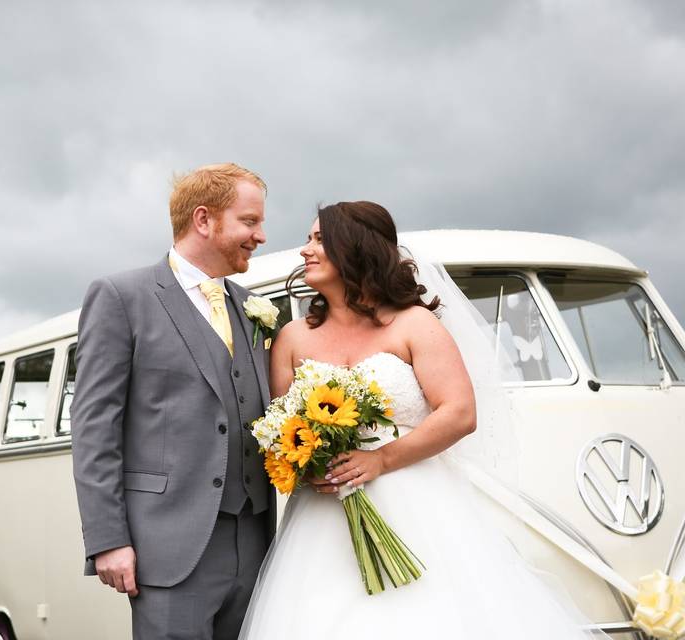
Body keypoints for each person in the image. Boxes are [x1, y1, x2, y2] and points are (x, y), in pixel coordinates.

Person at [239, 201, 596, 638]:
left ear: (353, 248)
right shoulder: (292, 338)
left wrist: (382, 460)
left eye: (318, 239)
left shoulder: (413, 325)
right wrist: (312, 468)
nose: (305, 251)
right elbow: (285, 428)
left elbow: (460, 412)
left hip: (419, 506)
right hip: (323, 520)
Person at [72, 163, 277, 640]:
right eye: (249, 222)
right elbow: (94, 429)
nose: (260, 235)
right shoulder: (121, 297)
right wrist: (108, 540)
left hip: (256, 541)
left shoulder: (251, 308)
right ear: (203, 220)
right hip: (166, 546)